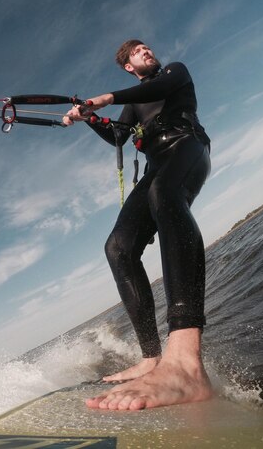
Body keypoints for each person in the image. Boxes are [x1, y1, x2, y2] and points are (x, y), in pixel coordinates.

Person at [64, 40, 213, 411]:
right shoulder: (133, 103)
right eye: (138, 52)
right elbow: (119, 135)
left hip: (186, 147)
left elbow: (159, 90)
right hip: (155, 166)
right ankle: (151, 357)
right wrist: (89, 118)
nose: (146, 52)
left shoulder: (173, 73)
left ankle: (186, 363)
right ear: (128, 65)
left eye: (147, 48)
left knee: (165, 197)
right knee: (118, 248)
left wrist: (103, 99)